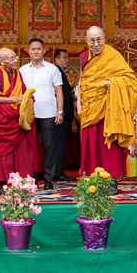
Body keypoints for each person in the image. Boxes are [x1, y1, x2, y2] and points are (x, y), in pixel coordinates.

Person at [77, 26, 137, 183]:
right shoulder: (84, 57)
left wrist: (114, 83)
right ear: (86, 41)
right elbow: (82, 81)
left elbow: (132, 81)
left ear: (104, 39)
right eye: (92, 40)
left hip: (109, 108)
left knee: (109, 146)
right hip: (90, 107)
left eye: (99, 39)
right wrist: (79, 105)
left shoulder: (113, 55)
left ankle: (111, 180)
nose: (96, 44)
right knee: (91, 145)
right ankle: (92, 180)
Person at [0, 47, 37, 193]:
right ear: (2, 61)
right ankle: (3, 183)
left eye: (16, 57)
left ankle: (20, 180)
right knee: (3, 152)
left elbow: (23, 92)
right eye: (11, 58)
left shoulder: (17, 73)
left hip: (16, 116)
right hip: (2, 117)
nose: (15, 61)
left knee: (20, 150)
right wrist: (14, 99)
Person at [19, 38, 64, 190]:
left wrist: (60, 112)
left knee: (49, 147)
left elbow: (59, 91)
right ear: (28, 51)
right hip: (29, 115)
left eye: (39, 49)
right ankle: (30, 179)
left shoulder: (52, 69)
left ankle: (48, 179)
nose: (36, 51)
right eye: (33, 49)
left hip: (49, 113)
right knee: (29, 148)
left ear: (44, 51)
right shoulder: (22, 70)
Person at [53, 49, 76, 181]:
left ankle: (58, 172)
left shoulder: (61, 72)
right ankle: (58, 173)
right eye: (64, 58)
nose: (67, 60)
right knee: (59, 145)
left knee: (60, 144)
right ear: (57, 59)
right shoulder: (56, 72)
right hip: (59, 115)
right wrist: (60, 112)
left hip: (63, 115)